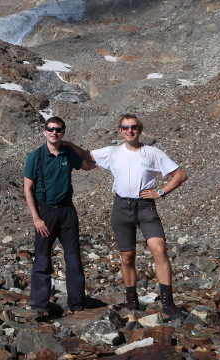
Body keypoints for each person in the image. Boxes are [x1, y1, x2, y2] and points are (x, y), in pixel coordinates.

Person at [68, 113, 188, 320]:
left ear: (140, 129)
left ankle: (169, 304)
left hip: (145, 207)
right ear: (120, 130)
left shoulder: (152, 153)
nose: (129, 130)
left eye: (133, 127)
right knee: (127, 257)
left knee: (159, 250)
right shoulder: (112, 152)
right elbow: (87, 155)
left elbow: (180, 174)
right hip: (121, 206)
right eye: (125, 127)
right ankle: (132, 302)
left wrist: (160, 192)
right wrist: (66, 143)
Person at [23, 116, 96, 318]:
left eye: (58, 130)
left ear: (63, 133)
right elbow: (27, 189)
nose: (54, 133)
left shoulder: (67, 153)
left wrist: (73, 145)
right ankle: (40, 306)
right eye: (51, 129)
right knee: (43, 259)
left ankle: (77, 304)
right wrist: (36, 218)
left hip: (67, 211)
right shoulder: (36, 156)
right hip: (45, 212)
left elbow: (88, 163)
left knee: (73, 259)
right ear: (44, 131)